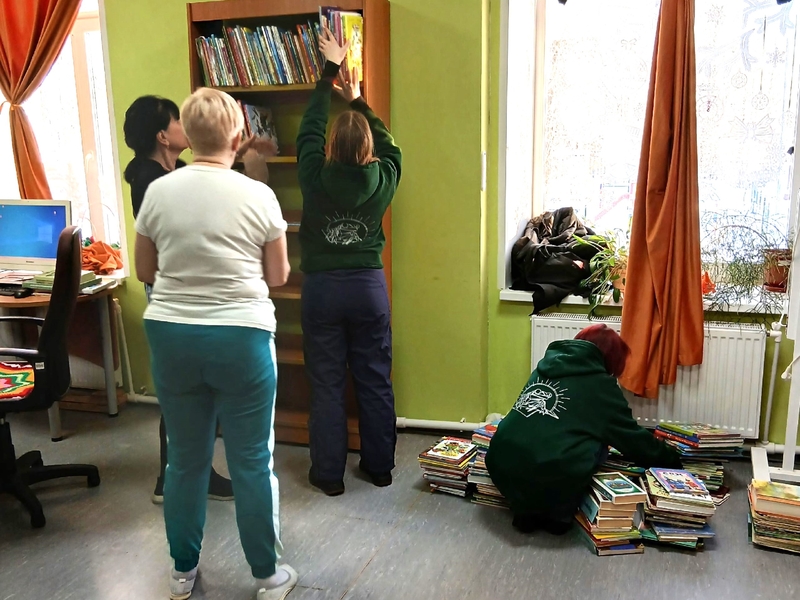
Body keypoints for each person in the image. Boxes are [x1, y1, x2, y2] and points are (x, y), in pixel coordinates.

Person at [135, 88, 297, 600]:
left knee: (184, 460)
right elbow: (278, 275)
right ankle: (267, 576)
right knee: (251, 460)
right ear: (238, 134)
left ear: (187, 133)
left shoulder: (159, 191)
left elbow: (145, 270)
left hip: (172, 334)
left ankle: (182, 574)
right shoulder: (258, 195)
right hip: (241, 337)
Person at [296, 29, 402, 496]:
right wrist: (357, 99)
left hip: (322, 289)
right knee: (374, 379)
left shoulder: (312, 174)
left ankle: (328, 475)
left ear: (331, 147)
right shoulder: (384, 176)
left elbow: (308, 130)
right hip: (368, 288)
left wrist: (327, 76)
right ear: (368, 149)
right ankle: (380, 468)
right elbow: (393, 147)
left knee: (326, 383)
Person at [123, 95, 234, 505]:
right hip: (173, 295)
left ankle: (188, 474)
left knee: (194, 388)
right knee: (183, 390)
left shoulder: (175, 171)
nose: (184, 129)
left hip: (189, 291)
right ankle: (174, 479)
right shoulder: (151, 181)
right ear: (161, 136)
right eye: (177, 122)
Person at [485, 324, 683, 535]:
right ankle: (557, 514)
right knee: (599, 440)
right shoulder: (600, 385)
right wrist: (673, 459)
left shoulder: (545, 367)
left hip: (499, 463)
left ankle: (526, 509)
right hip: (550, 475)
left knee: (546, 436)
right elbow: (632, 439)